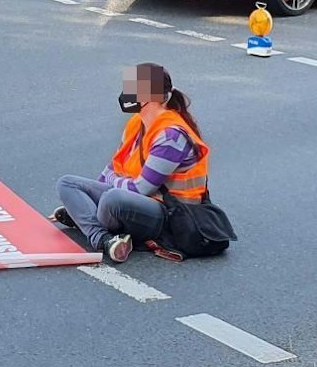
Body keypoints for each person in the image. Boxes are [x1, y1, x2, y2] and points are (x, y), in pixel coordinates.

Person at [53, 63, 217, 264]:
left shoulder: (171, 137)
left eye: (130, 88)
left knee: (111, 199)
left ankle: (89, 224)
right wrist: (92, 192)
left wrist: (99, 192)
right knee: (67, 183)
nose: (125, 93)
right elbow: (113, 167)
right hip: (138, 199)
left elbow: (142, 188)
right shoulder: (137, 123)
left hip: (172, 213)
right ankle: (104, 239)